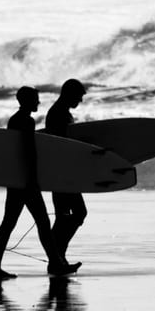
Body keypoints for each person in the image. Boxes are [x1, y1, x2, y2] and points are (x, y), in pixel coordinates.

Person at [0, 86, 76, 280]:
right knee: (41, 223)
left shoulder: (14, 119)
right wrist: (32, 180)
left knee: (10, 223)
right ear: (27, 101)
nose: (38, 102)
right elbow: (28, 152)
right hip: (25, 181)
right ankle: (56, 264)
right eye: (35, 99)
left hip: (16, 180)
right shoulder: (26, 121)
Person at [45, 78, 88, 269]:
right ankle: (56, 259)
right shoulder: (58, 114)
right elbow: (61, 145)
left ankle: (57, 259)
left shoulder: (61, 112)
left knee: (66, 216)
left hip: (63, 173)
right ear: (69, 94)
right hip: (62, 174)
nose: (80, 100)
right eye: (78, 96)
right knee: (75, 214)